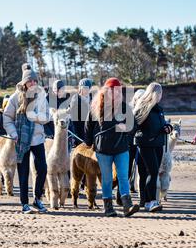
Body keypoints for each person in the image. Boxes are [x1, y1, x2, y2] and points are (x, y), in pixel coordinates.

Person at [84, 78, 140, 217]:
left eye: (118, 90)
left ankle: (127, 205)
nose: (116, 93)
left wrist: (125, 129)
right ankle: (108, 207)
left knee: (122, 176)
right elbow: (88, 126)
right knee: (107, 178)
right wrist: (89, 142)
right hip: (103, 150)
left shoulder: (124, 107)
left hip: (121, 148)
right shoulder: (96, 107)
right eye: (113, 90)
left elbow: (133, 125)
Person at [3, 63, 50, 214]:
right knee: (23, 173)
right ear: (24, 82)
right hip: (21, 139)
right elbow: (7, 118)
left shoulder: (41, 96)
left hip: (37, 139)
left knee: (42, 168)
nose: (33, 84)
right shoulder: (15, 98)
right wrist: (14, 134)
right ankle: (24, 203)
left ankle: (38, 198)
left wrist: (35, 117)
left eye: (35, 81)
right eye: (30, 81)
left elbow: (47, 116)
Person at [133, 83, 173, 212]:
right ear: (155, 93)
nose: (161, 95)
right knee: (153, 172)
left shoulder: (159, 109)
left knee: (152, 173)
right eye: (160, 93)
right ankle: (151, 202)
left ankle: (147, 201)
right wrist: (142, 137)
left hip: (158, 144)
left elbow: (162, 124)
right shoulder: (142, 107)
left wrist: (168, 127)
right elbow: (134, 127)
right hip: (146, 144)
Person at [70, 78, 94, 146]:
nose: (86, 90)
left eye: (88, 88)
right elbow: (74, 120)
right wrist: (75, 136)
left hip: (91, 130)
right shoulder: (75, 99)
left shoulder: (93, 98)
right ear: (80, 88)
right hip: (80, 130)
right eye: (84, 88)